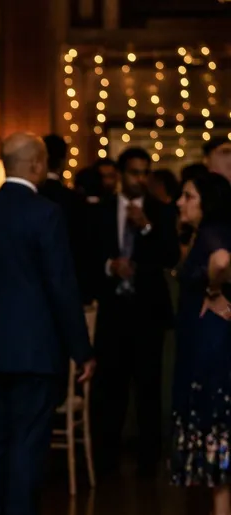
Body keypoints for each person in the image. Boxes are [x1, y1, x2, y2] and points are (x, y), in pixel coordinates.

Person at [0, 132, 94, 515]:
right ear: (37, 164)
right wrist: (82, 350)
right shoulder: (46, 212)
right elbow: (61, 285)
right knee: (28, 442)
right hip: (35, 348)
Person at [88, 147, 180, 476]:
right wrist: (109, 266)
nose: (139, 179)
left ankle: (148, 461)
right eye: (133, 172)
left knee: (148, 387)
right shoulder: (101, 210)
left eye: (144, 173)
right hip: (113, 310)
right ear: (121, 174)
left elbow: (170, 255)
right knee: (110, 387)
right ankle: (106, 460)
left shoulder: (161, 211)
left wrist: (146, 228)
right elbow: (86, 256)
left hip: (147, 311)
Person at [171, 172, 231, 515]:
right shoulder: (208, 233)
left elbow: (222, 261)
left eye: (188, 196)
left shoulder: (213, 233)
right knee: (211, 421)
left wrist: (213, 288)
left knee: (213, 423)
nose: (180, 202)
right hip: (207, 339)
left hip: (212, 344)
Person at [40, 133, 91, 302]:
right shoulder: (74, 199)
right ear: (63, 162)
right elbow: (82, 247)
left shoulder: (30, 197)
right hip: (67, 283)